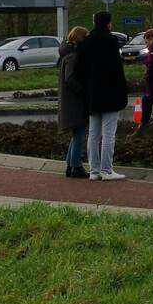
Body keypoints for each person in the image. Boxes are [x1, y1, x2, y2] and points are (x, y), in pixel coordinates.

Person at [74, 11, 129, 181]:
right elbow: (117, 70)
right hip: (110, 93)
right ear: (108, 23)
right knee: (109, 133)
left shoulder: (85, 42)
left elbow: (79, 71)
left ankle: (94, 171)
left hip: (92, 94)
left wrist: (88, 87)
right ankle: (107, 170)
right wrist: (123, 90)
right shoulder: (111, 41)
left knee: (93, 132)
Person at [58, 26, 89, 178]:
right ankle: (76, 166)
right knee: (80, 132)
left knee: (77, 133)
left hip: (69, 100)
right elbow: (70, 78)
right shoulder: (73, 56)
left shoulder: (66, 53)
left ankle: (70, 165)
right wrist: (83, 90)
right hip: (74, 101)